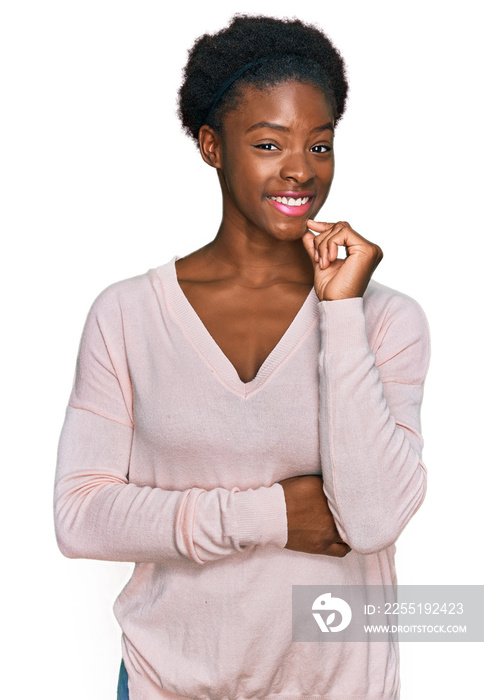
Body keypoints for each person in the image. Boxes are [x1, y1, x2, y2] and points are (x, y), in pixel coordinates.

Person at [54, 14, 430, 700]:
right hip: (169, 682)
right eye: (267, 142)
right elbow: (79, 515)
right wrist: (275, 516)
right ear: (211, 146)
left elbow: (372, 520)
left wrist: (341, 311)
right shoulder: (128, 316)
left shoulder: (386, 321)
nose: (300, 171)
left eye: (319, 146)